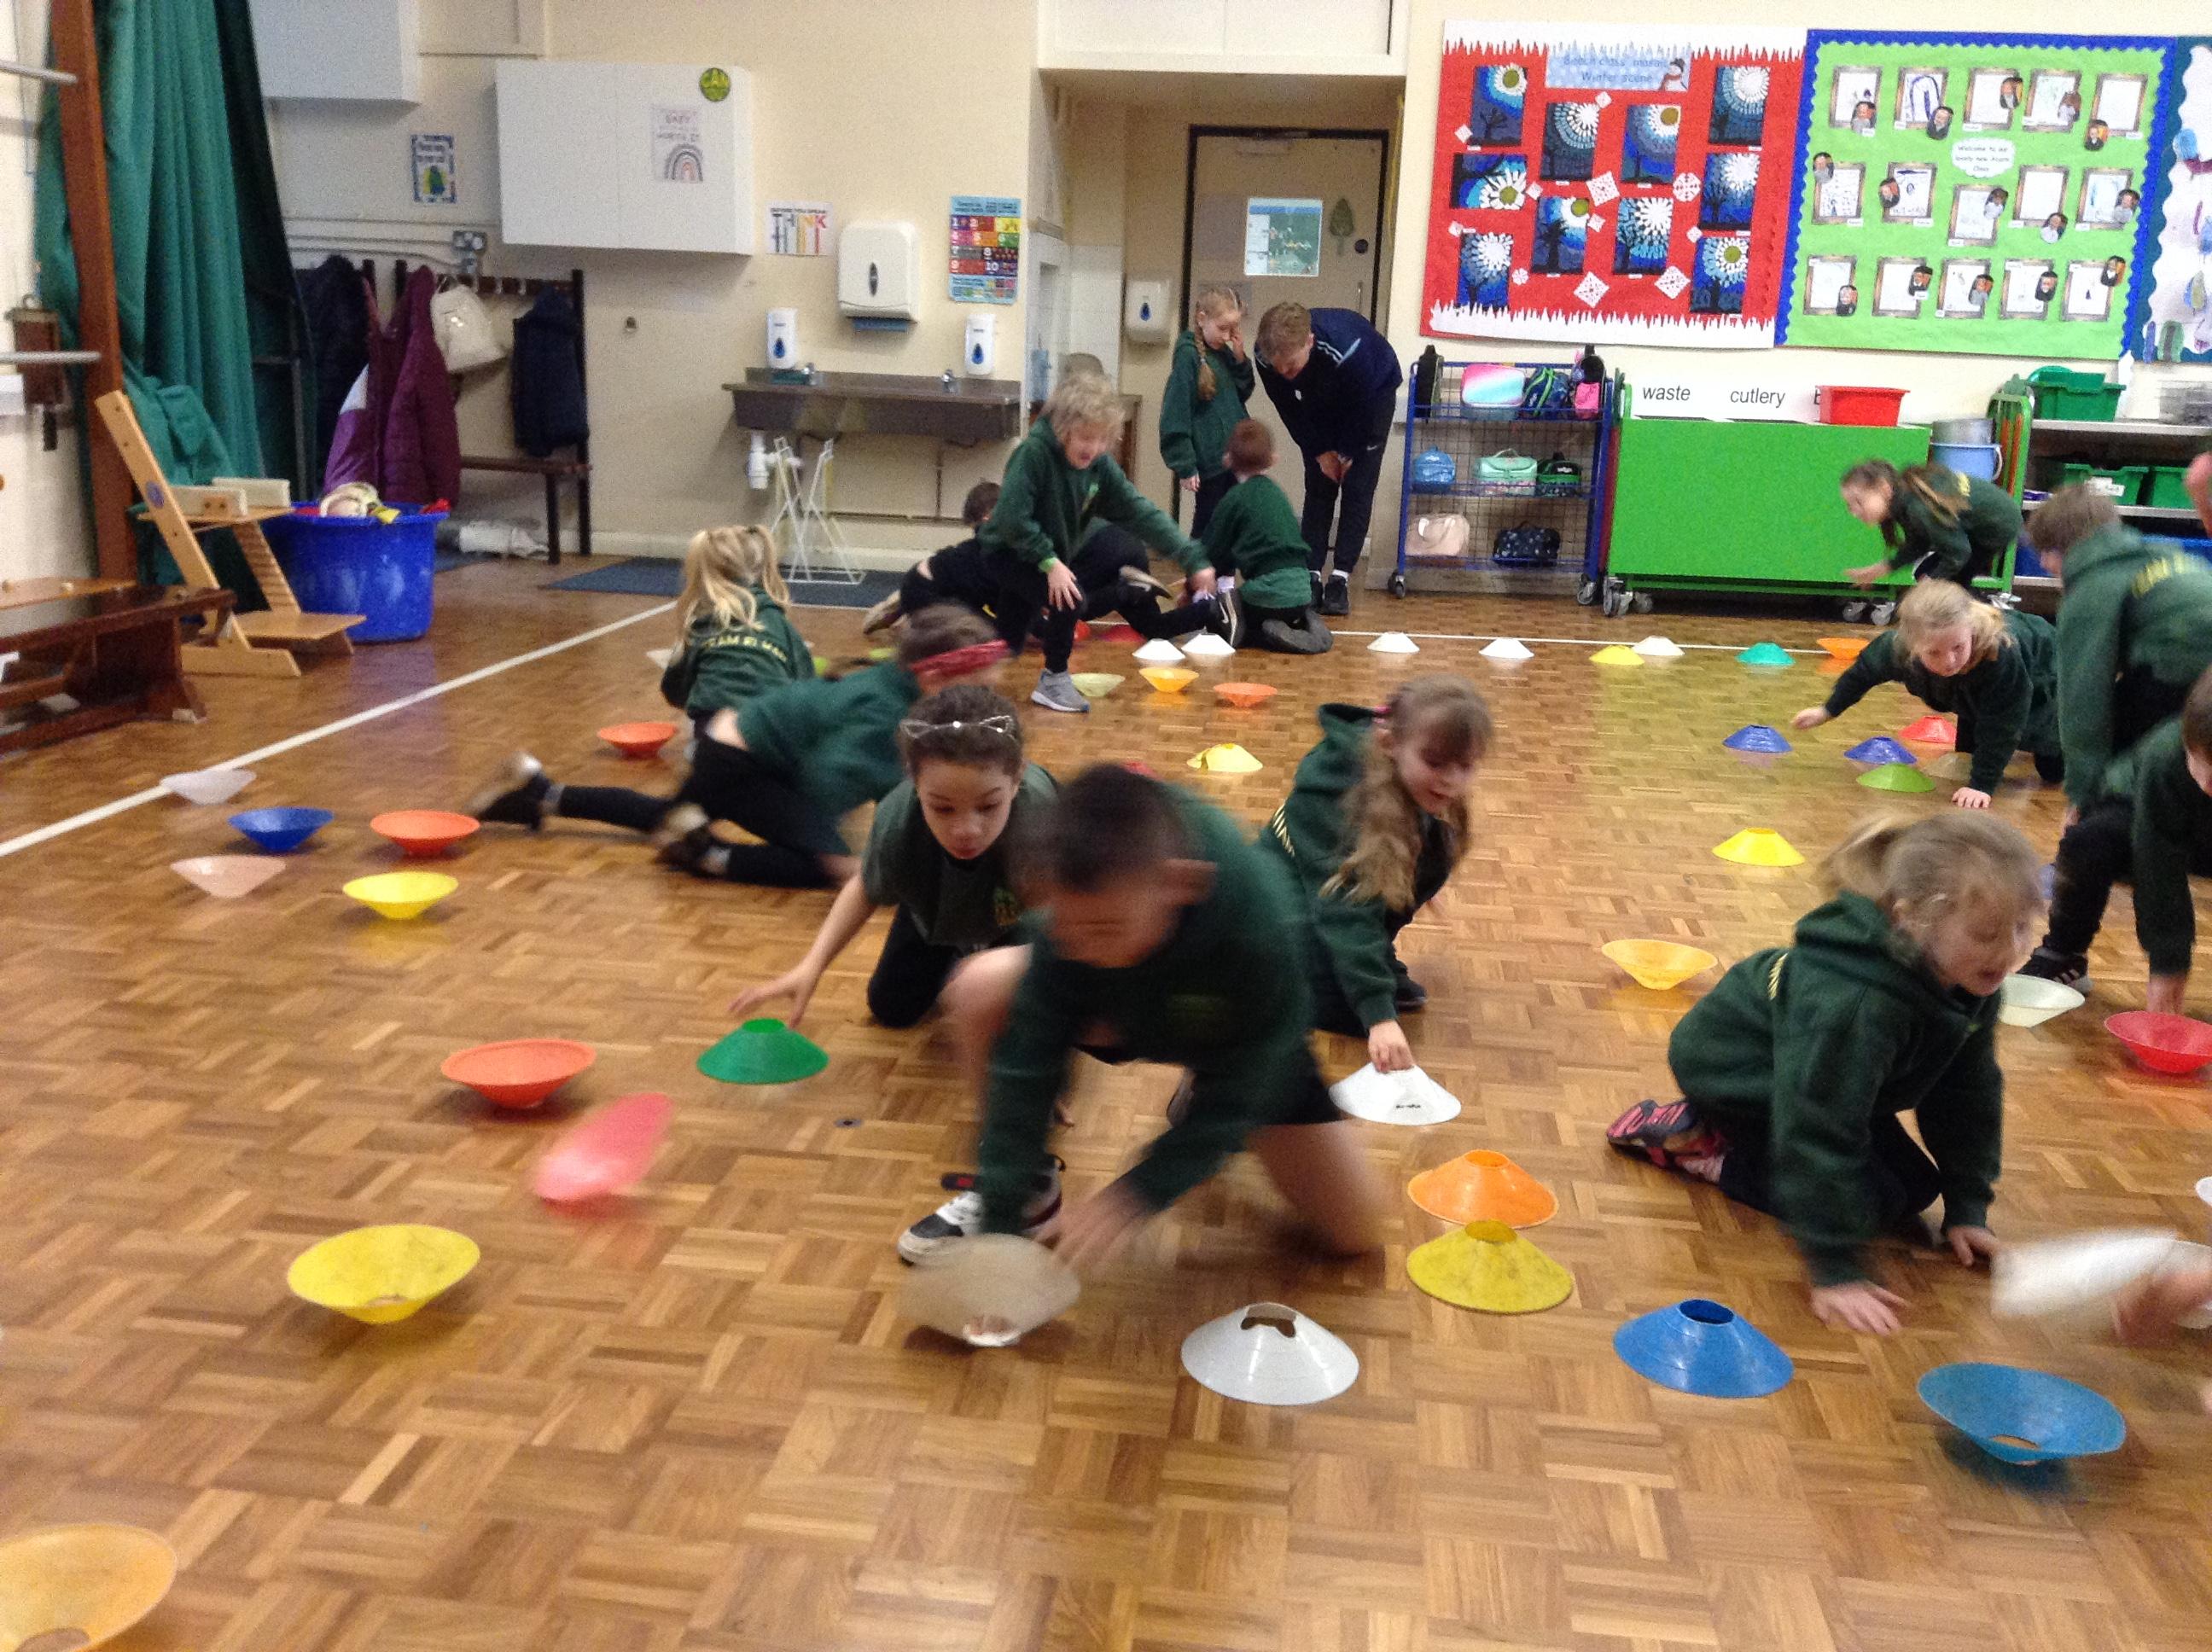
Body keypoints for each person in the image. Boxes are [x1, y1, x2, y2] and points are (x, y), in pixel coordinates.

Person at [904, 764, 1388, 1268]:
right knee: (982, 987)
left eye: (1103, 928)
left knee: (1356, 1231)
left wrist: (1143, 1189)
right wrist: (1001, 1223)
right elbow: (1026, 1071)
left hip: (1231, 1034)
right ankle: (1033, 1190)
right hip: (1124, 1009)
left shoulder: (1260, 923)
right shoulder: (1072, 923)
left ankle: (1198, 1087)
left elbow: (1258, 1071)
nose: (1078, 948)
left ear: (1182, 884)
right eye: (1064, 927)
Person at [1608, 813, 2042, 1335]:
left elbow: (1966, 1095)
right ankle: (1706, 1144)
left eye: (2022, 928)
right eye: (1986, 933)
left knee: (1914, 1187)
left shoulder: (1971, 980)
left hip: (1823, 1069)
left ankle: (1733, 1140)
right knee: (1869, 1201)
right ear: (1912, 920)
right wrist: (1836, 1270)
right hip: (1737, 1069)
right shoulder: (1859, 1006)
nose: (2009, 952)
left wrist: (1968, 1206)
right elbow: (1817, 1128)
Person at [726, 682, 1054, 1035]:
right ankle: (955, 948)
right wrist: (811, 966)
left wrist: (1003, 972)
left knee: (1019, 1015)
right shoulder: (899, 819)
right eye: (943, 808)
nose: (967, 830)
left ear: (1017, 779)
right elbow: (865, 886)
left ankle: (975, 957)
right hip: (936, 901)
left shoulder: (1041, 814)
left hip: (1018, 916)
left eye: (988, 806)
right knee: (891, 1007)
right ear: (914, 784)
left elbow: (1061, 916)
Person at [466, 524, 812, 836]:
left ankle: (540, 793)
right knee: (675, 819)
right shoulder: (783, 629)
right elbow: (809, 696)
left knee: (676, 816)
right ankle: (539, 792)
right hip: (747, 746)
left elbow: (673, 691)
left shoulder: (702, 626)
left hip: (720, 742)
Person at [655, 605, 1003, 890]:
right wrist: (830, 839)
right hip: (739, 765)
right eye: (978, 689)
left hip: (744, 749)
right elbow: (828, 781)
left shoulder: (897, 684)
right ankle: (711, 857)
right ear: (932, 680)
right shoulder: (887, 711)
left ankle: (676, 826)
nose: (982, 700)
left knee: (656, 815)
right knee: (842, 868)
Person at [1260, 678, 1491, 1075]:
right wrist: (1377, 1015)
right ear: (1389, 744)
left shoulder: (1404, 775)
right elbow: (1346, 909)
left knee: (1436, 849)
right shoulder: (1337, 796)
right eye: (1435, 763)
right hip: (1272, 907)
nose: (1452, 780)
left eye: (1465, 766)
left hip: (1324, 895)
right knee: (1348, 1014)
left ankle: (1365, 962)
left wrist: (1418, 879)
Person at [982, 374, 1215, 715]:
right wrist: (1050, 562)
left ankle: (968, 683)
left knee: (1010, 637)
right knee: (1069, 598)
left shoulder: (1099, 466)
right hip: (1008, 551)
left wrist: (1191, 557)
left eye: (1102, 439)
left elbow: (1140, 512)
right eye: (1086, 437)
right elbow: (1011, 519)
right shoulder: (1034, 454)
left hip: (1041, 555)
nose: (1093, 448)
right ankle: (1053, 680)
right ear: (1063, 429)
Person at [2022, 666, 2212, 1000]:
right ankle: (2063, 954)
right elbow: (2157, 865)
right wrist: (2168, 965)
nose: (2208, 785)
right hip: (2150, 817)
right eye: (2201, 764)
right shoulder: (2165, 755)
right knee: (2089, 841)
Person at [1793, 579, 2063, 807]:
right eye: (1934, 653)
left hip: (2049, 673)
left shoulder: (1999, 653)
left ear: (1970, 630)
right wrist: (1827, 710)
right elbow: (1862, 673)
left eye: (1958, 647)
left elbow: (2003, 722)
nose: (1949, 661)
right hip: (1979, 691)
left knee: (2051, 765)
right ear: (1912, 646)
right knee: (1970, 749)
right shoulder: (1897, 650)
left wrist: (1982, 786)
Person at [2030, 484, 2212, 811]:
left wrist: (2082, 798)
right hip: (2195, 669)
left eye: (2045, 552)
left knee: (2120, 754)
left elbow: (2083, 698)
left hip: (2185, 667)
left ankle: (2116, 826)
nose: (2043, 564)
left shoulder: (2092, 587)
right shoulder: (2162, 554)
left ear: (2062, 549)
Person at [1254, 301, 1404, 618]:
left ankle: (1340, 578)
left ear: (1308, 341)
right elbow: (1288, 406)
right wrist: (1319, 451)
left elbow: (1363, 409)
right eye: (1280, 370)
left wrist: (1347, 453)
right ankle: (1310, 574)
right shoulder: (1266, 356)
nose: (1286, 376)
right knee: (1319, 485)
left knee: (1357, 486)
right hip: (1321, 397)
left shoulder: (1347, 349)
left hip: (1373, 395)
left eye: (1291, 367)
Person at [1203, 420, 1336, 654]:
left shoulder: (1233, 499)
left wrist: (1194, 582)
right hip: (1302, 592)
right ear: (1273, 459)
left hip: (1267, 596)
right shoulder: (1277, 494)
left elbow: (1213, 550)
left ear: (1228, 460)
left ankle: (1266, 635)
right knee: (1275, 605)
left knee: (1219, 615)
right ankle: (1303, 623)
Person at [1839, 457, 2023, 591]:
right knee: (1935, 578)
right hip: (1988, 523)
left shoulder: (1917, 508)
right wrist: (1885, 568)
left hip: (1998, 525)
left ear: (1884, 488)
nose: (1854, 512)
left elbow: (1958, 553)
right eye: (1849, 506)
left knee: (1943, 584)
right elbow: (1920, 543)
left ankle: (1985, 621)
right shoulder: (1905, 499)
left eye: (1859, 502)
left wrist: (1931, 581)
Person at [1158, 284, 1253, 538]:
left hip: (1234, 455)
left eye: (1233, 329)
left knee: (1233, 523)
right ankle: (1197, 564)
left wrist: (1240, 358)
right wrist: (1185, 464)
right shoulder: (1188, 357)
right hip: (1211, 460)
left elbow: (1243, 392)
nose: (1227, 336)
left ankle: (1225, 567)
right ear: (1202, 319)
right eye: (1223, 328)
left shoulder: (1223, 352)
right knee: (1208, 525)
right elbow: (1176, 412)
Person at [861, 480, 1003, 637]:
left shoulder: (987, 549)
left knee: (983, 620)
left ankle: (907, 608)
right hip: (925, 590)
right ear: (988, 517)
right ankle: (913, 620)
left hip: (933, 586)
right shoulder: (985, 553)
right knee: (983, 631)